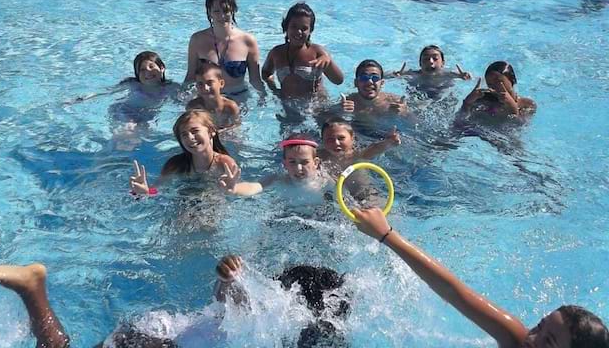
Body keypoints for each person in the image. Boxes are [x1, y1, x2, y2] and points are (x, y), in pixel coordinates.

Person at [352, 207, 609, 348]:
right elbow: (454, 292)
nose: (533, 339)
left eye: (549, 343)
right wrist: (387, 235)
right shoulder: (516, 339)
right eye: (540, 327)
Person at [0, 256, 349, 348]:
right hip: (159, 340)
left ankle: (32, 291)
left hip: (158, 334)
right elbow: (233, 297)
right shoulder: (270, 312)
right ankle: (32, 289)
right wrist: (228, 277)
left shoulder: (284, 324)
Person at [130, 109, 239, 196]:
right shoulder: (175, 165)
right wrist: (144, 192)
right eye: (184, 135)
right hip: (182, 203)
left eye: (195, 131)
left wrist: (233, 191)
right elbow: (157, 190)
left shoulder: (225, 163)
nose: (190, 138)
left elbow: (239, 188)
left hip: (212, 204)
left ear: (211, 131)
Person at [184, 0, 265, 96]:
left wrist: (263, 99)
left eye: (226, 10)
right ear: (209, 12)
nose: (222, 16)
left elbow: (255, 79)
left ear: (233, 10)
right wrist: (182, 98)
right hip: (207, 98)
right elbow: (190, 76)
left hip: (238, 97)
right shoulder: (197, 40)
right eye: (217, 11)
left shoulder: (248, 41)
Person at [262, 3, 344, 100]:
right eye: (294, 26)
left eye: (304, 28)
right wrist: (274, 89)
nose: (299, 32)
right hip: (287, 106)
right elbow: (266, 73)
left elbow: (338, 80)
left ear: (311, 30)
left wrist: (328, 62)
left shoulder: (318, 52)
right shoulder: (276, 53)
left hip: (317, 107)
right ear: (286, 27)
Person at [221, 134, 330, 198]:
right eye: (292, 162)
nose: (298, 168)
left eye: (304, 162)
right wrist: (235, 188)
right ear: (285, 164)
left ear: (315, 163)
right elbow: (255, 186)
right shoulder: (279, 179)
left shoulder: (326, 182)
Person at [320, 117, 400, 201]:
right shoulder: (319, 156)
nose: (336, 143)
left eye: (341, 138)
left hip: (366, 197)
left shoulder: (359, 155)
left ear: (352, 138)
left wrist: (389, 142)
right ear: (322, 140)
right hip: (333, 200)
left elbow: (375, 148)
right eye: (330, 139)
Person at [459, 61, 536, 122]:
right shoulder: (483, 99)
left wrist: (511, 104)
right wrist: (467, 102)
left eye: (498, 81)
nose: (494, 86)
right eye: (489, 83)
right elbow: (461, 117)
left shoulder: (527, 104)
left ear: (512, 79)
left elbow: (518, 125)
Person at [386, 45, 472, 99]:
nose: (430, 61)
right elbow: (382, 75)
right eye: (426, 59)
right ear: (420, 63)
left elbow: (476, 79)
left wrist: (468, 77)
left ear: (443, 63)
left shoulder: (450, 75)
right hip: (419, 100)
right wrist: (394, 75)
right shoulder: (412, 74)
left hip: (443, 99)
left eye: (435, 58)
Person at [340, 59, 407, 117]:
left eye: (375, 78)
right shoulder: (347, 103)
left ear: (382, 83)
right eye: (364, 78)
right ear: (356, 83)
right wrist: (338, 112)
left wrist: (406, 113)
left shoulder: (394, 102)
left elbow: (415, 123)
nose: (370, 82)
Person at [186, 60, 240, 131]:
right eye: (200, 84)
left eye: (210, 83)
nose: (205, 88)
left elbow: (236, 127)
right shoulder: (193, 106)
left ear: (221, 83)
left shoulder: (230, 107)